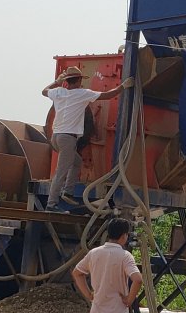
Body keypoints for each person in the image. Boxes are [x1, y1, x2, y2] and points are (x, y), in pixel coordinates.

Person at [42, 66, 131, 211]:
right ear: (79, 81)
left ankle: (67, 192)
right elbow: (108, 95)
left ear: (67, 81)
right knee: (61, 172)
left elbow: (44, 91)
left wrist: (56, 82)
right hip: (68, 139)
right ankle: (51, 204)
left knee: (76, 162)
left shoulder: (59, 92)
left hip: (56, 137)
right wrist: (123, 86)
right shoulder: (82, 94)